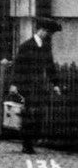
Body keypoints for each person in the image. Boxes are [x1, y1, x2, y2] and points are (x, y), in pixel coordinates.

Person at [10, 17, 63, 154]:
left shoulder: (45, 47)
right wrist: (14, 84)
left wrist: (55, 84)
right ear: (42, 30)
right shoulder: (26, 46)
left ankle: (32, 139)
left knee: (38, 114)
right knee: (28, 114)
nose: (49, 36)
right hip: (26, 85)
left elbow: (50, 66)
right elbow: (17, 66)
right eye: (48, 33)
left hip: (38, 85)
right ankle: (27, 145)